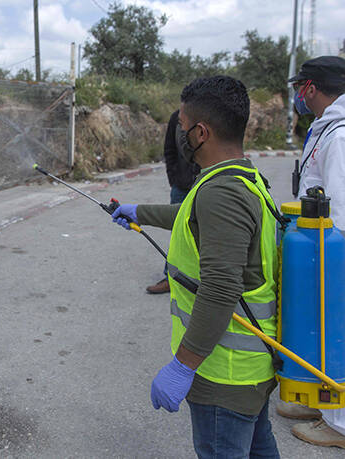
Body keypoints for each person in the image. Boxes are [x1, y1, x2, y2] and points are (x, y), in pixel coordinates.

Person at [112, 76, 280, 458]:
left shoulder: (221, 193)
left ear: (201, 133)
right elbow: (191, 216)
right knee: (259, 448)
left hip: (225, 374)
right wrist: (139, 212)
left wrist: (182, 366)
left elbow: (220, 288)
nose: (180, 136)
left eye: (182, 128)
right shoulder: (241, 178)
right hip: (250, 368)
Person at [276, 55, 345, 449]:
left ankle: (339, 425)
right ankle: (323, 400)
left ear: (311, 88)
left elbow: (342, 210)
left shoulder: (340, 135)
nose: (299, 96)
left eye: (300, 88)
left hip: (333, 250)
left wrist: (330, 260)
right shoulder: (328, 127)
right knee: (321, 330)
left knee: (336, 330)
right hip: (319, 246)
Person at [146, 110, 200, 294]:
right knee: (178, 232)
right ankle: (171, 276)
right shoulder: (176, 119)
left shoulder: (208, 118)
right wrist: (173, 178)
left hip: (203, 185)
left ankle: (199, 278)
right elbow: (169, 150)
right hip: (181, 186)